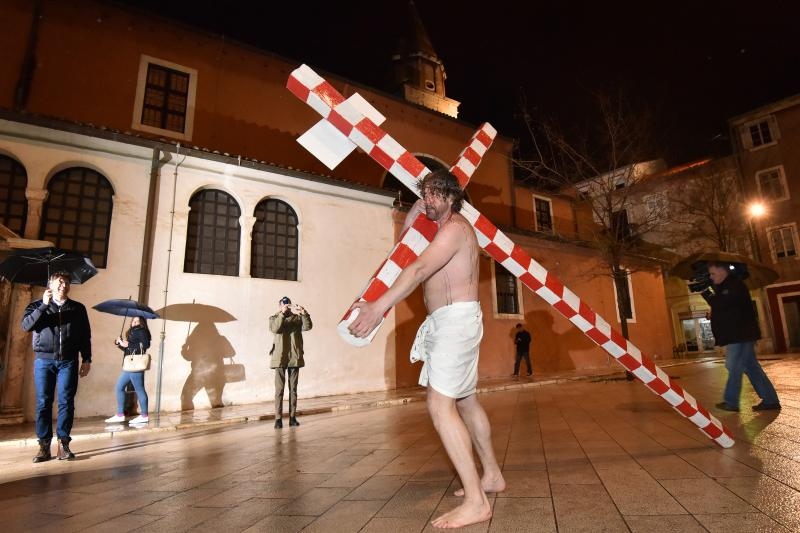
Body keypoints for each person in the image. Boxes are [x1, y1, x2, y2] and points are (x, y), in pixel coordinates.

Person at [348, 169, 504, 529]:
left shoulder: (455, 230)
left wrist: (377, 308)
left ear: (452, 197)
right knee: (465, 400)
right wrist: (412, 219)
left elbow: (417, 270)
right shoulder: (441, 230)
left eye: (435, 194)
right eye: (425, 193)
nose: (428, 200)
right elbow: (406, 255)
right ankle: (491, 475)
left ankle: (477, 503)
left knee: (439, 404)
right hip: (450, 322)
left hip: (455, 322)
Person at [21, 271, 92, 462]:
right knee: (43, 402)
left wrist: (87, 359)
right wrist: (44, 305)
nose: (64, 285)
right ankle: (44, 446)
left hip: (68, 361)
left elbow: (85, 335)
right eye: (60, 282)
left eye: (67, 282)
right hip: (44, 361)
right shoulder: (36, 305)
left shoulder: (78, 308)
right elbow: (26, 326)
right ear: (50, 285)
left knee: (66, 402)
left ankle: (63, 444)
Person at [702, 262, 780, 412]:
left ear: (722, 271)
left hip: (740, 334)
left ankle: (731, 402)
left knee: (733, 365)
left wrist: (707, 292)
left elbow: (720, 303)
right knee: (751, 367)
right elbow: (725, 307)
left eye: (712, 274)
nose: (711, 277)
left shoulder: (733, 285)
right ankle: (770, 400)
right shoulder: (726, 286)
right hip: (739, 333)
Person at [269, 296, 312, 429]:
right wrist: (282, 313)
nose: (286, 307)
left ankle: (292, 417)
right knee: (279, 390)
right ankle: (278, 419)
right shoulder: (274, 318)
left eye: (288, 305)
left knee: (293, 390)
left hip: (294, 357)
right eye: (284, 305)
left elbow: (308, 326)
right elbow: (275, 329)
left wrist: (304, 313)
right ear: (279, 305)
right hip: (280, 358)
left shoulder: (298, 318)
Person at [104, 317, 151, 424]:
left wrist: (128, 344)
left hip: (135, 365)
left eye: (136, 321)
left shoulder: (142, 331)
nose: (133, 323)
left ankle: (144, 416)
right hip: (129, 365)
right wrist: (119, 343)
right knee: (119, 387)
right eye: (133, 321)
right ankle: (120, 414)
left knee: (139, 389)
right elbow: (128, 349)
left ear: (142, 323)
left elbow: (145, 345)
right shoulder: (132, 332)